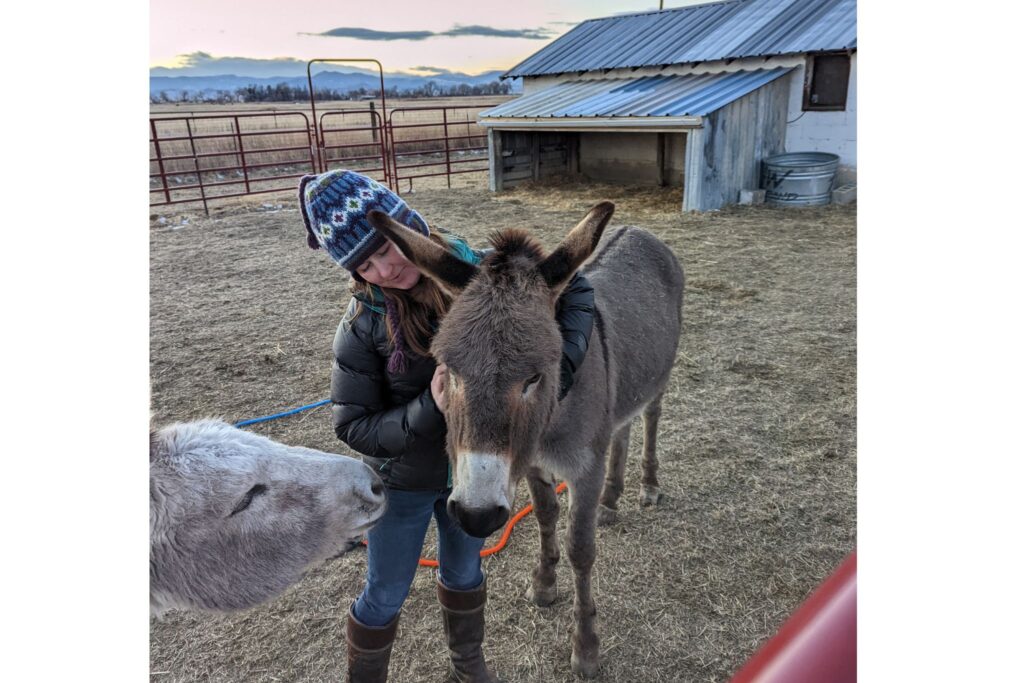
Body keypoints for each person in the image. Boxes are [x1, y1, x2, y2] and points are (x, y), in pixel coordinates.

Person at [298, 169, 595, 683]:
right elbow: (354, 426)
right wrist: (430, 408)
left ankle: (468, 666)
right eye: (364, 265)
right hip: (404, 483)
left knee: (465, 571)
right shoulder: (362, 327)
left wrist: (554, 373)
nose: (385, 270)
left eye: (387, 249)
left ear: (412, 232)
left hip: (468, 477)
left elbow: (579, 287)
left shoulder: (481, 277)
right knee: (386, 590)